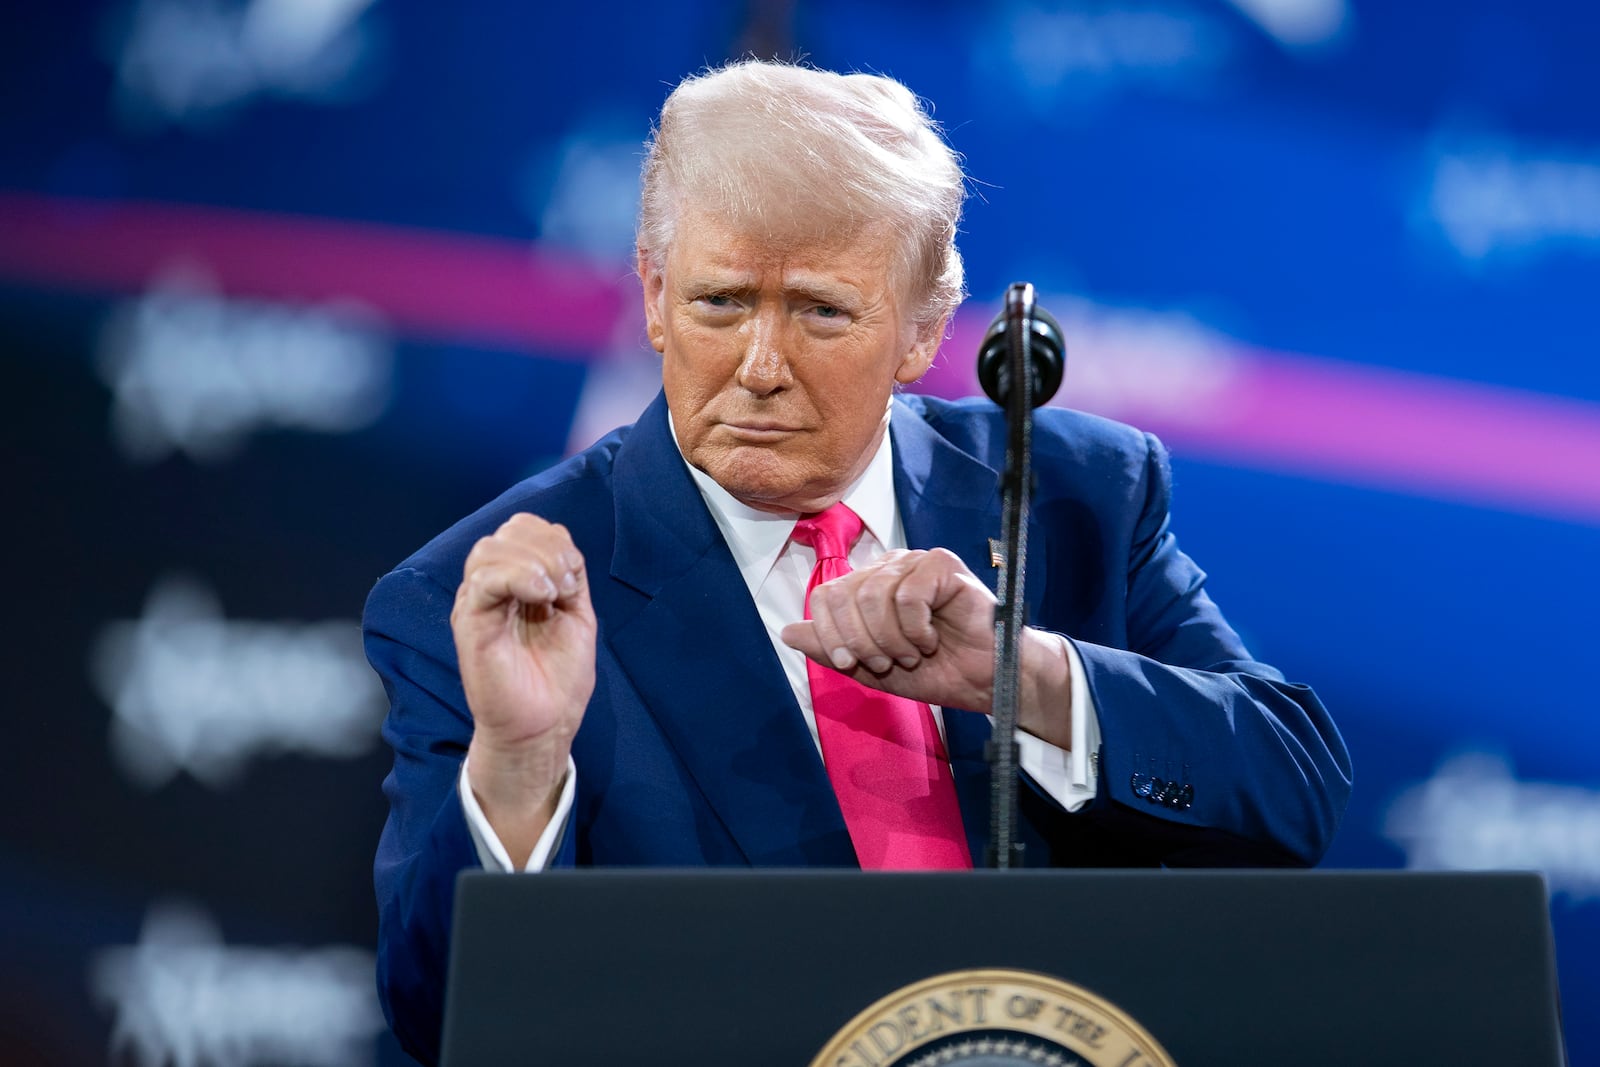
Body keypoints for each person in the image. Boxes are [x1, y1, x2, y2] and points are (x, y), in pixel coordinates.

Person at [363, 59, 1351, 1064]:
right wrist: (520, 767)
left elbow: (1291, 792)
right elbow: (438, 1011)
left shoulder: (1071, 495)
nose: (758, 364)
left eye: (820, 311)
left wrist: (1031, 675)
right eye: (719, 302)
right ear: (653, 296)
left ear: (922, 328)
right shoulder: (485, 602)